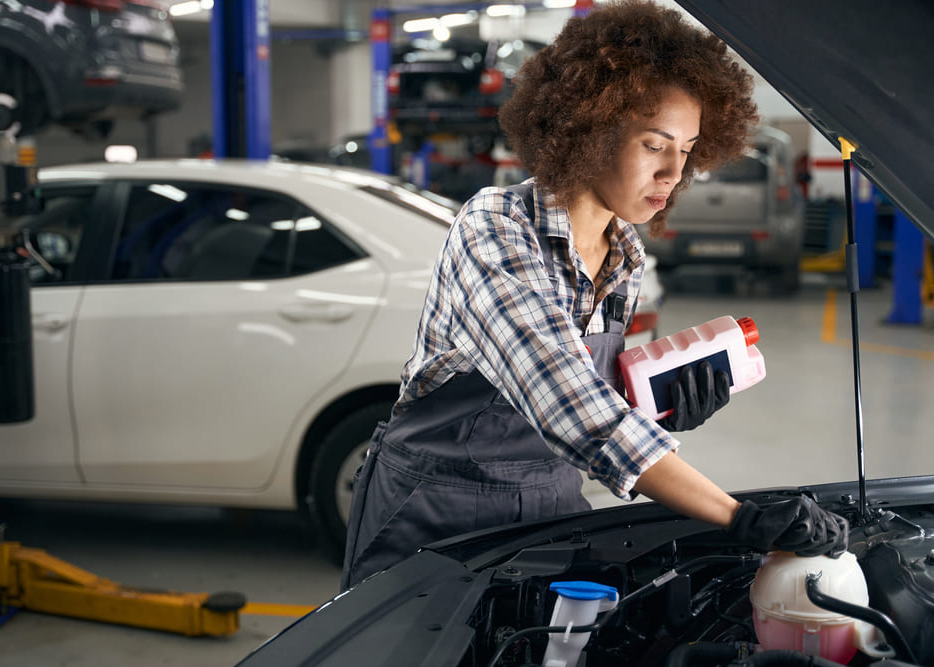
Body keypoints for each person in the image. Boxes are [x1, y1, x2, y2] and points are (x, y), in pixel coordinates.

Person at [341, 0, 848, 590]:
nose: (674, 174)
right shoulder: (495, 228)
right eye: (655, 145)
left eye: (686, 152)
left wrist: (655, 407)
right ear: (591, 125)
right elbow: (567, 404)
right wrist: (739, 516)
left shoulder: (624, 254)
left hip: (550, 509)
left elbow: (594, 404)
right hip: (433, 517)